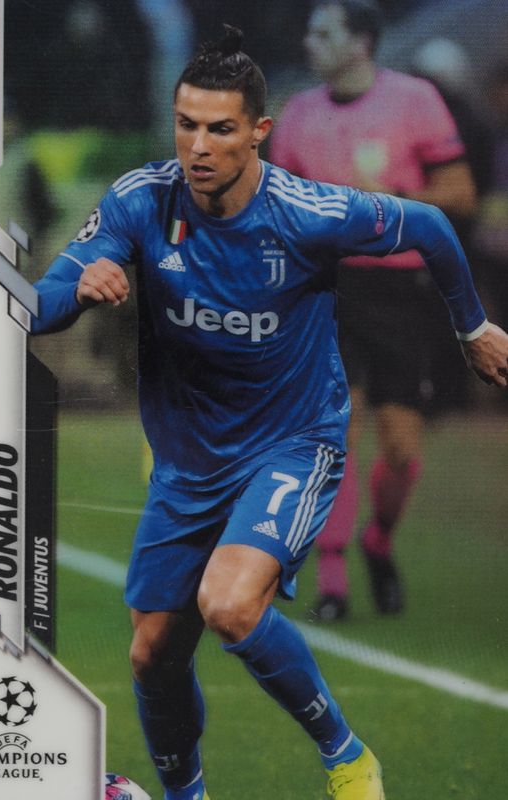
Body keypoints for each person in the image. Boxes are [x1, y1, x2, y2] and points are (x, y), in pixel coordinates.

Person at [31, 25, 508, 800]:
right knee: (152, 654)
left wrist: (471, 328)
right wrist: (79, 289)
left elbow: (425, 226)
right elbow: (44, 298)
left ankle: (346, 759)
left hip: (291, 442)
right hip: (187, 462)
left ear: (258, 131)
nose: (198, 146)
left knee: (227, 602)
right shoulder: (140, 199)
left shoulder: (304, 212)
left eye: (220, 129)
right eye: (186, 124)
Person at [270, 0, 478, 621]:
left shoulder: (415, 100)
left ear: (360, 42)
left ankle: (378, 541)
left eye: (324, 33)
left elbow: (461, 194)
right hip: (330, 289)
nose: (310, 43)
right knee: (339, 431)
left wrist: (396, 198)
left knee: (402, 450)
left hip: (400, 291)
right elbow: (276, 208)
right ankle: (332, 582)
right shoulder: (298, 114)